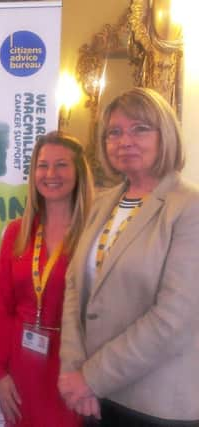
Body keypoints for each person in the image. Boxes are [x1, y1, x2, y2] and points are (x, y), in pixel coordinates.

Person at [59, 87, 199, 426]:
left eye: (140, 128)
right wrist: (72, 370)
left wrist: (91, 378)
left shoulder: (189, 207)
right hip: (94, 399)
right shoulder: (102, 202)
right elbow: (75, 287)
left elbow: (173, 319)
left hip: (154, 404)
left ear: (164, 134)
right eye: (114, 132)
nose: (125, 140)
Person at [0, 131, 93, 427]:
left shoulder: (94, 234)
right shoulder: (17, 233)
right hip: (21, 368)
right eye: (43, 165)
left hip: (73, 368)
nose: (51, 174)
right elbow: (1, 307)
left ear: (79, 172)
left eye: (62, 165)